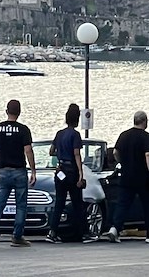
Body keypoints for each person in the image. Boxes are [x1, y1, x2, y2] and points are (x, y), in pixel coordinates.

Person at [0, 99, 36, 248]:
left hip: (2, 171)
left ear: (6, 111)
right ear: (19, 112)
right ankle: (17, 236)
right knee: (21, 206)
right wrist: (33, 170)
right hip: (19, 171)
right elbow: (28, 151)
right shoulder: (23, 129)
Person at [46, 104, 98, 243]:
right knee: (77, 203)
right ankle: (84, 232)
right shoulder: (75, 135)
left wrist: (61, 154)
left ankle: (52, 231)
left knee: (59, 202)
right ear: (77, 119)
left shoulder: (59, 134)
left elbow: (51, 151)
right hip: (71, 170)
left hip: (61, 170)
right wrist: (81, 173)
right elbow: (77, 154)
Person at [107, 110, 149, 243]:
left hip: (126, 175)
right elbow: (148, 155)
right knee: (147, 204)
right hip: (143, 177)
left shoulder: (123, 135)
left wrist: (121, 162)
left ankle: (115, 228)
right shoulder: (145, 137)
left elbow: (115, 152)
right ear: (145, 121)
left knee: (122, 204)